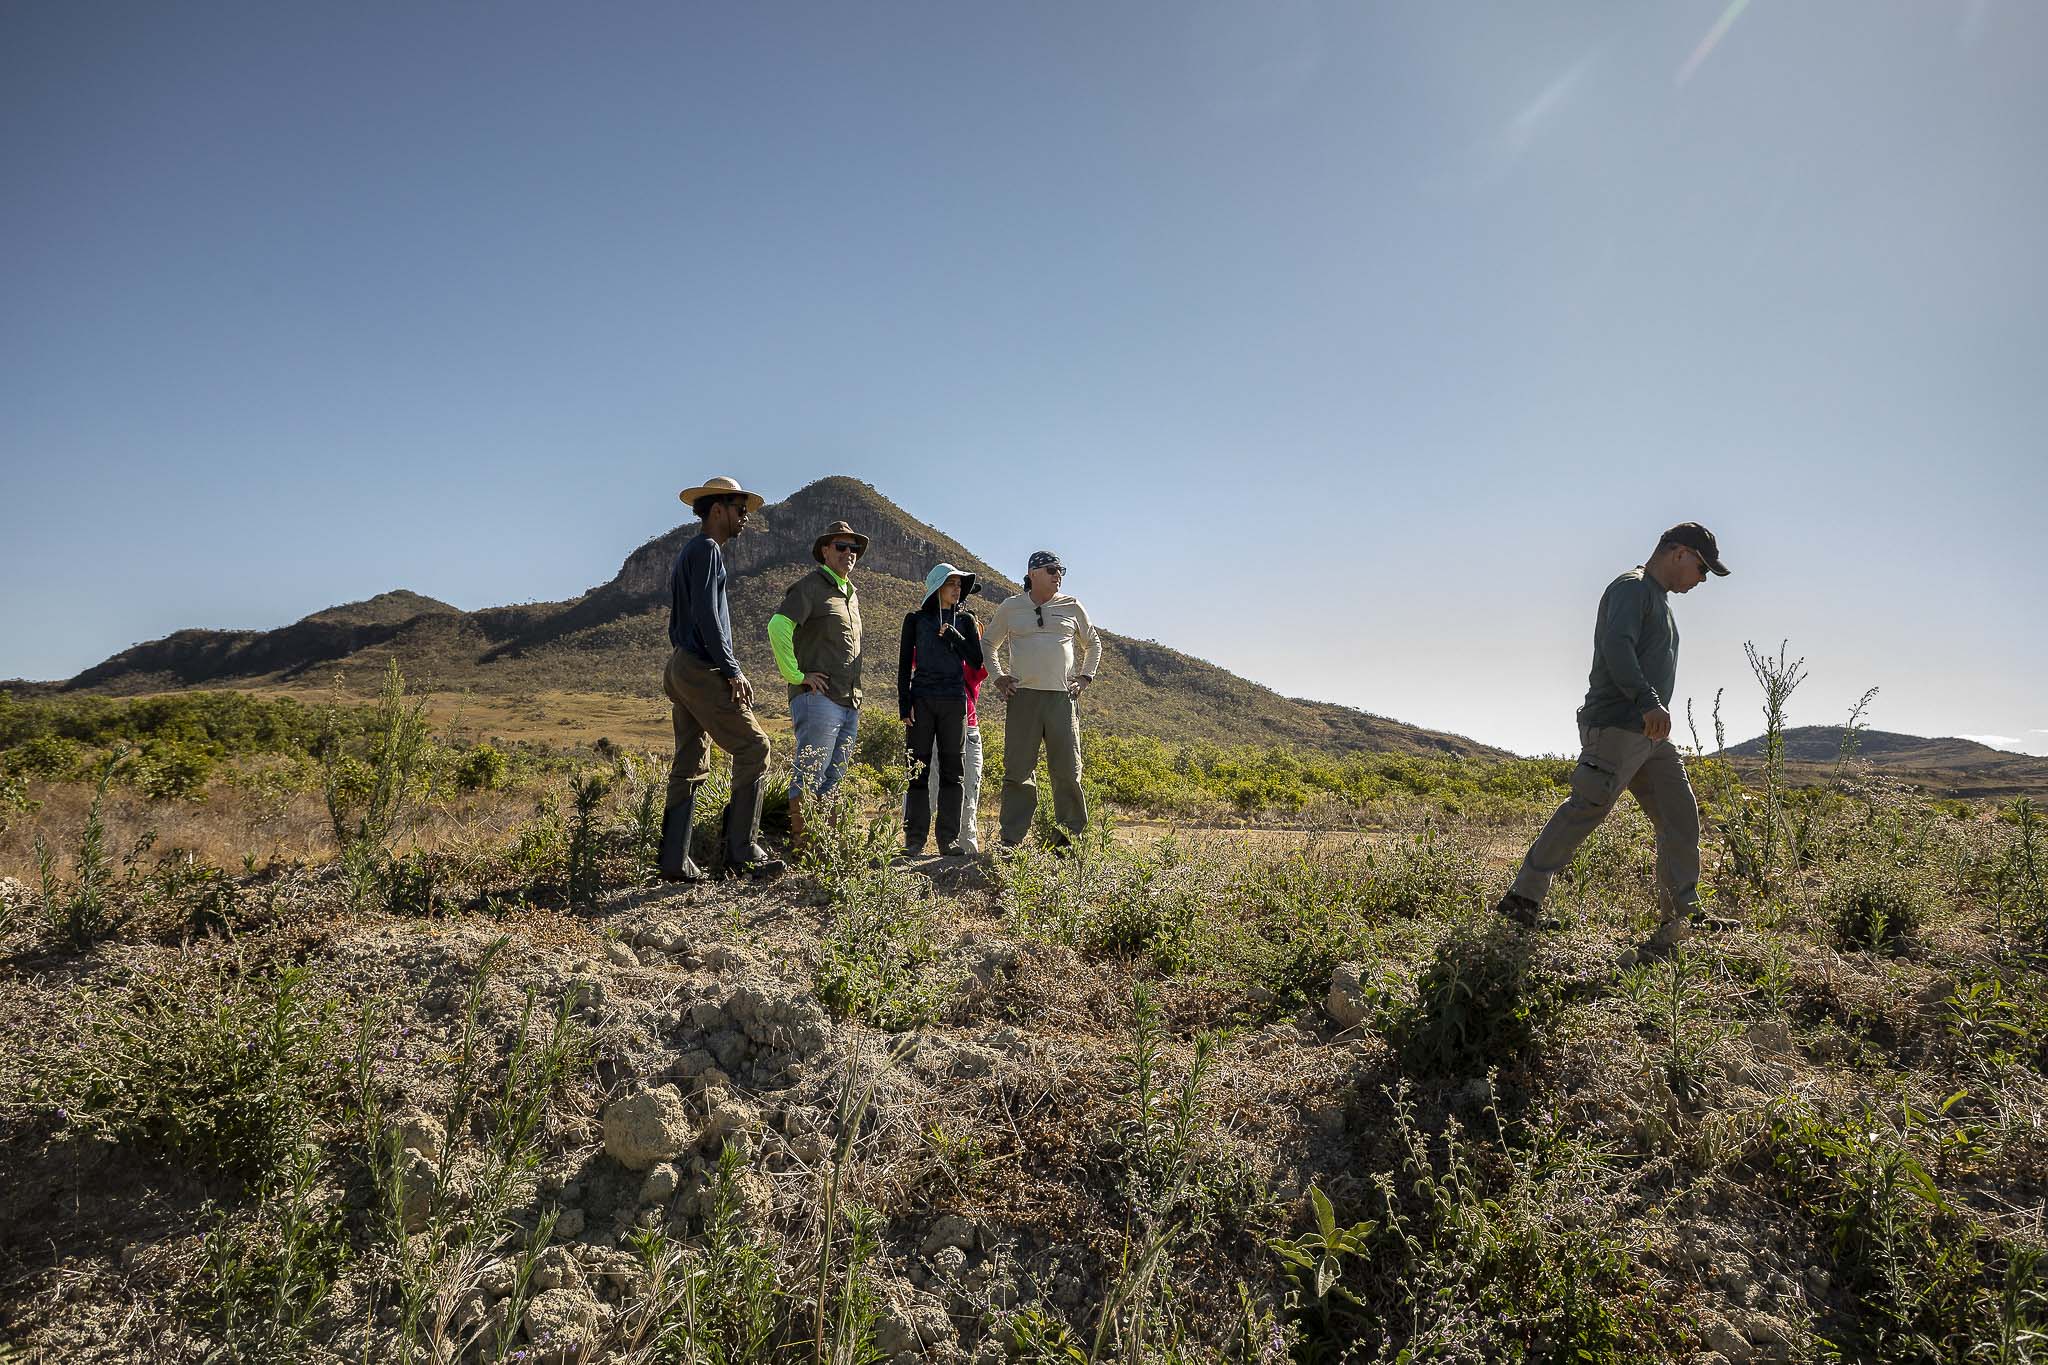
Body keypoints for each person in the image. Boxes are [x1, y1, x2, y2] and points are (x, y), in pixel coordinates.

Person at [1494, 522, 1730, 953]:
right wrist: (1647, 701)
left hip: (1648, 735)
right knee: (1587, 807)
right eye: (1702, 568)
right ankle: (1522, 900)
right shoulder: (1631, 589)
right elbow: (1616, 646)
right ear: (1678, 552)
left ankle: (1682, 914)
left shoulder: (1658, 600)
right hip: (1620, 725)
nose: (1702, 580)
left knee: (1679, 813)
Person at [657, 476, 785, 882]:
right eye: (739, 508)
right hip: (699, 666)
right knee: (753, 746)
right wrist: (732, 669)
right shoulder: (708, 549)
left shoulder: (690, 552)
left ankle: (674, 859)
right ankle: (742, 851)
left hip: (680, 666)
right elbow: (707, 616)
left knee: (691, 759)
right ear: (717, 510)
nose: (745, 517)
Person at [984, 550, 1101, 849]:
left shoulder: (1072, 606)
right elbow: (988, 643)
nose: (1058, 575)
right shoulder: (1011, 607)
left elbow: (1093, 642)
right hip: (1024, 698)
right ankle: (1010, 840)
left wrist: (1085, 677)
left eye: (1061, 570)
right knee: (1018, 771)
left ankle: (1069, 840)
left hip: (1062, 698)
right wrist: (998, 677)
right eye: (1051, 570)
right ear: (1033, 573)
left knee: (1068, 771)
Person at [767, 520, 867, 844]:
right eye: (841, 546)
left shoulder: (850, 595)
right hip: (819, 699)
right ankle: (803, 845)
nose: (848, 553)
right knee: (810, 773)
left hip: (849, 701)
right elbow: (778, 626)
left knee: (833, 778)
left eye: (853, 548)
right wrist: (796, 676)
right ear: (825, 550)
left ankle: (825, 846)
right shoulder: (810, 587)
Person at [898, 563, 985, 856]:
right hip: (921, 699)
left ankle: (947, 840)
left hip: (954, 702)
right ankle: (914, 840)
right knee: (917, 771)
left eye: (960, 585)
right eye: (952, 584)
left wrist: (955, 637)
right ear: (937, 587)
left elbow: (975, 660)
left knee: (954, 772)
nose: (957, 590)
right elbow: (902, 666)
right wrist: (903, 704)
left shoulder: (967, 621)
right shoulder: (915, 620)